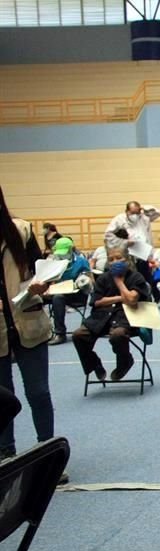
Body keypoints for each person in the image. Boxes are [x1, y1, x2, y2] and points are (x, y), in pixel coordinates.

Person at [0, 186, 56, 466]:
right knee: (3, 398)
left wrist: (41, 284)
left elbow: (41, 270)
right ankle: (5, 455)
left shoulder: (21, 231)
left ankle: (47, 452)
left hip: (27, 319)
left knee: (38, 391)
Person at [72, 247, 150, 382]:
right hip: (101, 317)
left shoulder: (136, 277)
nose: (115, 262)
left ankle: (125, 362)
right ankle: (94, 364)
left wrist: (119, 282)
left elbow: (132, 300)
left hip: (127, 316)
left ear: (127, 260)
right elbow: (96, 302)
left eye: (119, 258)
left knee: (118, 335)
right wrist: (121, 297)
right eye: (111, 259)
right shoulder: (102, 278)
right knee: (78, 335)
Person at [105, 201, 160, 304]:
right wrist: (125, 242)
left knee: (145, 282)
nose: (135, 215)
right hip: (127, 256)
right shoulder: (119, 219)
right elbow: (108, 235)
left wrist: (144, 208)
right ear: (126, 211)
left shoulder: (143, 217)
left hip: (143, 255)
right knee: (131, 282)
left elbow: (157, 212)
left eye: (137, 212)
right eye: (132, 213)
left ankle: (147, 301)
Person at [47, 237, 91, 345]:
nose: (62, 255)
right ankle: (43, 333)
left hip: (76, 294)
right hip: (57, 292)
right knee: (38, 298)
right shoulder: (53, 262)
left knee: (58, 298)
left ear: (71, 249)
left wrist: (83, 281)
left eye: (64, 252)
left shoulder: (81, 261)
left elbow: (89, 280)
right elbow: (49, 280)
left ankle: (60, 334)